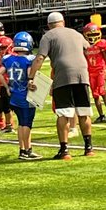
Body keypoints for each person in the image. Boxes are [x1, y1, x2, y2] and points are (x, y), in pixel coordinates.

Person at [27, 11, 94, 160]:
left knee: (63, 113)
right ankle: (89, 147)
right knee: (84, 111)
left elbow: (39, 59)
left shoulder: (48, 36)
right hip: (82, 75)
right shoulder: (76, 34)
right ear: (63, 22)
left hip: (63, 75)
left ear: (49, 25)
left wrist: (31, 77)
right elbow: (88, 49)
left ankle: (64, 150)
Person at [0, 31, 41, 161]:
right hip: (26, 95)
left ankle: (23, 149)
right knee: (27, 123)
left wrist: (6, 87)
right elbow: (29, 75)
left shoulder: (8, 59)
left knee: (21, 123)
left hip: (14, 94)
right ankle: (27, 150)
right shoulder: (29, 60)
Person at [83, 22, 106, 123]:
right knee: (95, 95)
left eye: (94, 34)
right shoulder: (84, 45)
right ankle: (101, 115)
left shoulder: (102, 44)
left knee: (102, 92)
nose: (92, 37)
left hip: (100, 71)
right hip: (90, 72)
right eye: (90, 35)